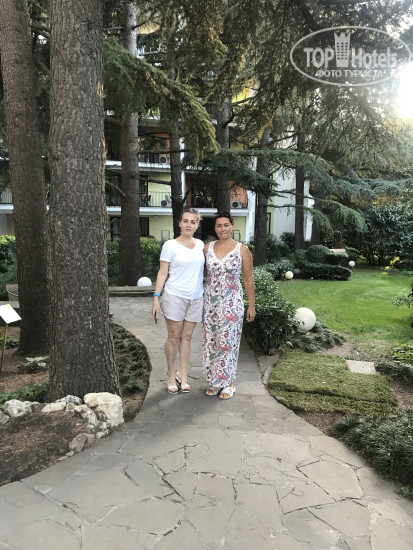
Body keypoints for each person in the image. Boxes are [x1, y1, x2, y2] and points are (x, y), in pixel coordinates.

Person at [202, 211, 255, 399]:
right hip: (210, 304)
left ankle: (228, 383)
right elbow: (201, 274)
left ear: (232, 226)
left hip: (232, 303)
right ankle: (215, 381)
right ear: (215, 228)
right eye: (219, 225)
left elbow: (248, 279)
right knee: (212, 341)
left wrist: (251, 305)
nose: (222, 229)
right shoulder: (207, 248)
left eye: (226, 225)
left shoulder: (242, 250)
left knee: (228, 342)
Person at [151, 208, 204, 394]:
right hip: (174, 296)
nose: (189, 225)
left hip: (196, 298)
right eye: (185, 221)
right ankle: (170, 374)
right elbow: (162, 272)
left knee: (187, 337)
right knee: (174, 337)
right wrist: (156, 297)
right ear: (180, 223)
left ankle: (183, 374)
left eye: (193, 222)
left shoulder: (200, 245)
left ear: (197, 225)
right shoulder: (170, 246)